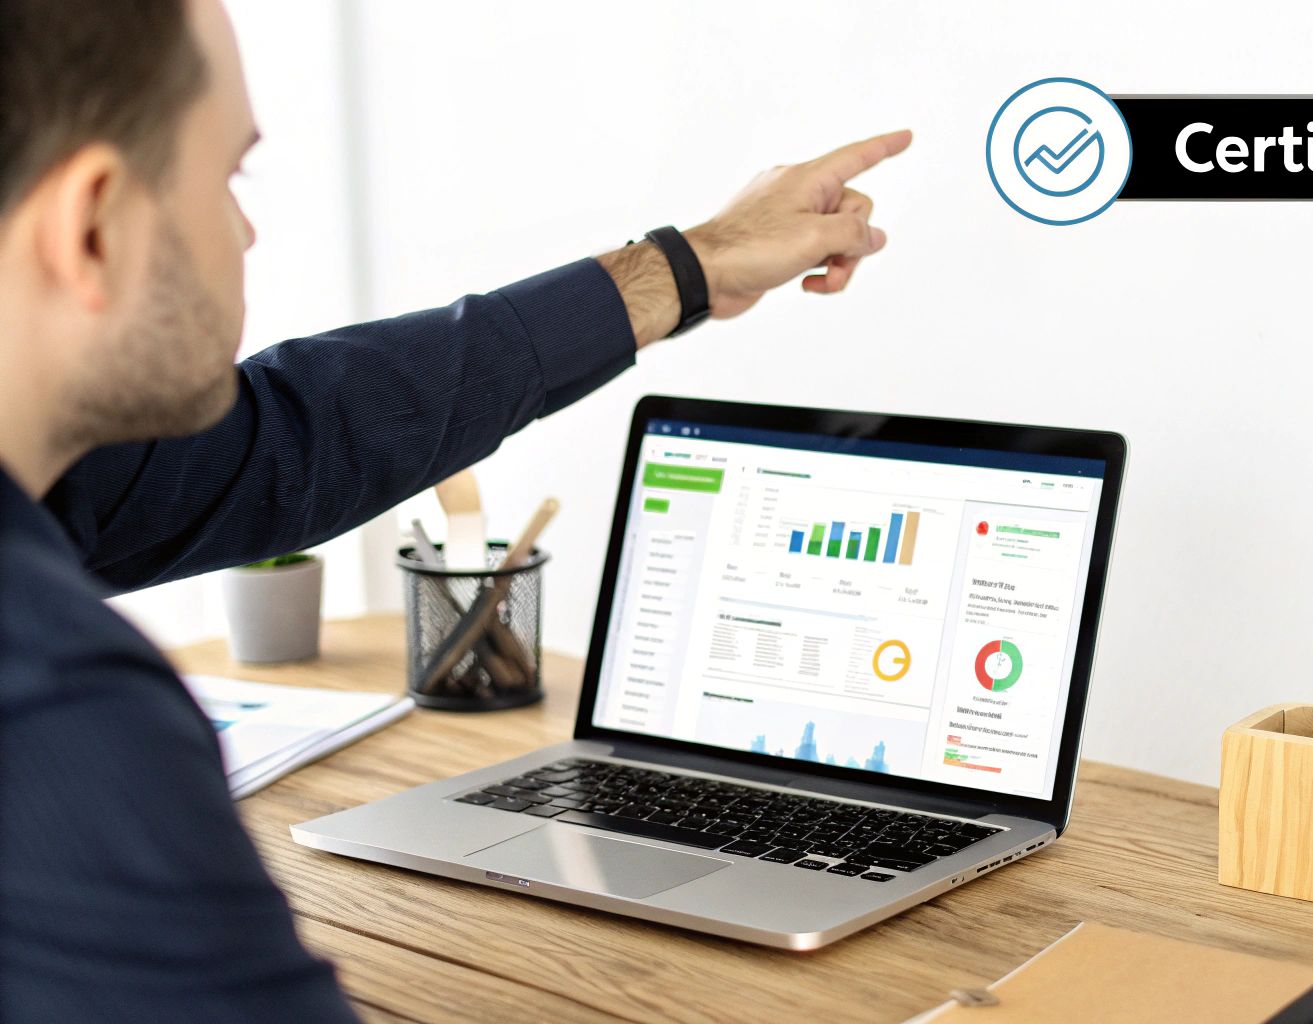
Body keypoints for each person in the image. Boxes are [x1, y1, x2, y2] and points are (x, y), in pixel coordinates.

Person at [0, 0, 909, 1018]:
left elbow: (295, 436)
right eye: (226, 177)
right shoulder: (55, 714)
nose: (246, 229)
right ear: (90, 224)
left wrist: (686, 267)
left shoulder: (59, 504)